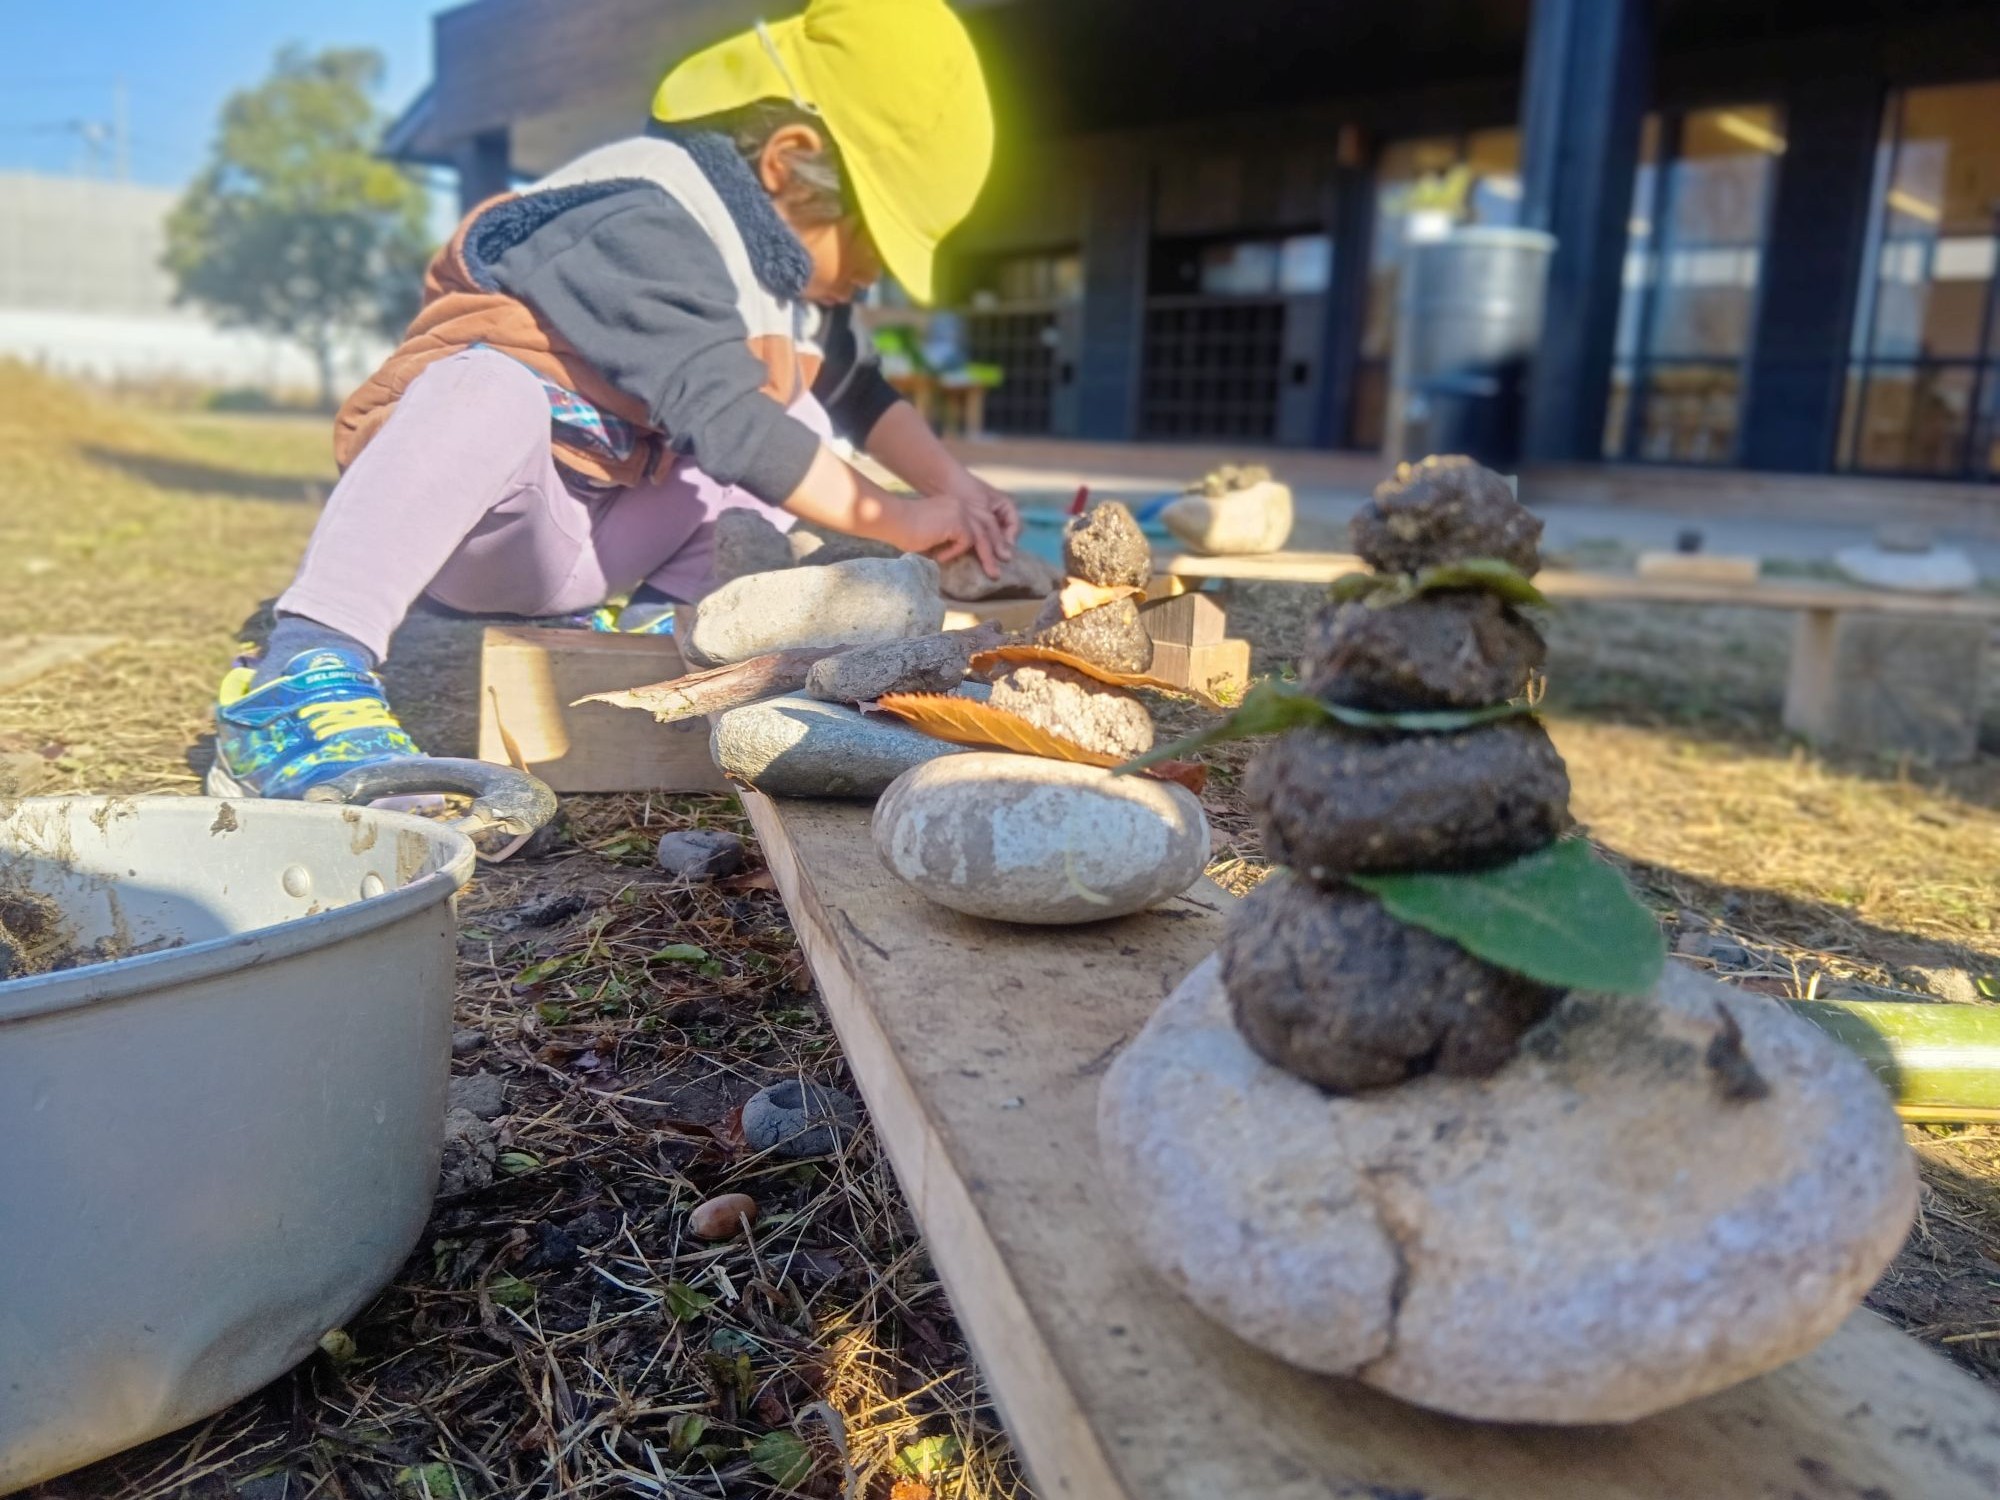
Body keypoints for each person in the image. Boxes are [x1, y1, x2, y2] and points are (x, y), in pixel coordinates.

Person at [210, 0, 1017, 799]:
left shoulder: (794, 286)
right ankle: (304, 670)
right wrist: (903, 518)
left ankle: (653, 629)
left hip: (597, 541)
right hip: (494, 527)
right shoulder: (643, 214)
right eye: (872, 239)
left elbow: (858, 392)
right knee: (489, 389)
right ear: (787, 162)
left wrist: (957, 487)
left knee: (802, 419)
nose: (872, 275)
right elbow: (732, 427)